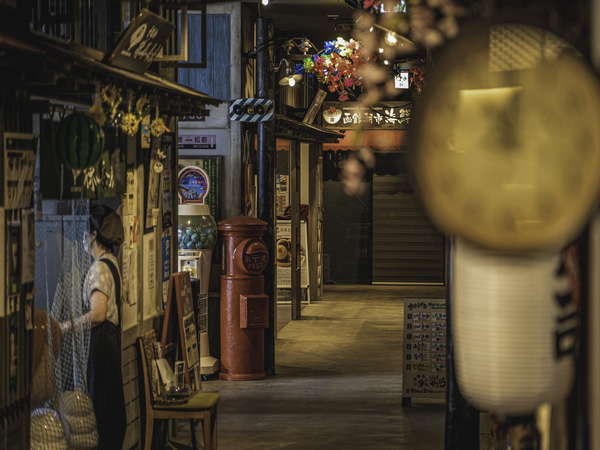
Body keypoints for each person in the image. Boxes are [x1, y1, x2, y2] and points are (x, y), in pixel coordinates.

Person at [62, 204, 126, 449]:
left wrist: (68, 326)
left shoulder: (99, 267)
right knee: (111, 406)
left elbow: (98, 314)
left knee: (102, 406)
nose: (81, 239)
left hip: (101, 344)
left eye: (83, 233)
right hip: (110, 343)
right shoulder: (112, 263)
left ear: (93, 236)